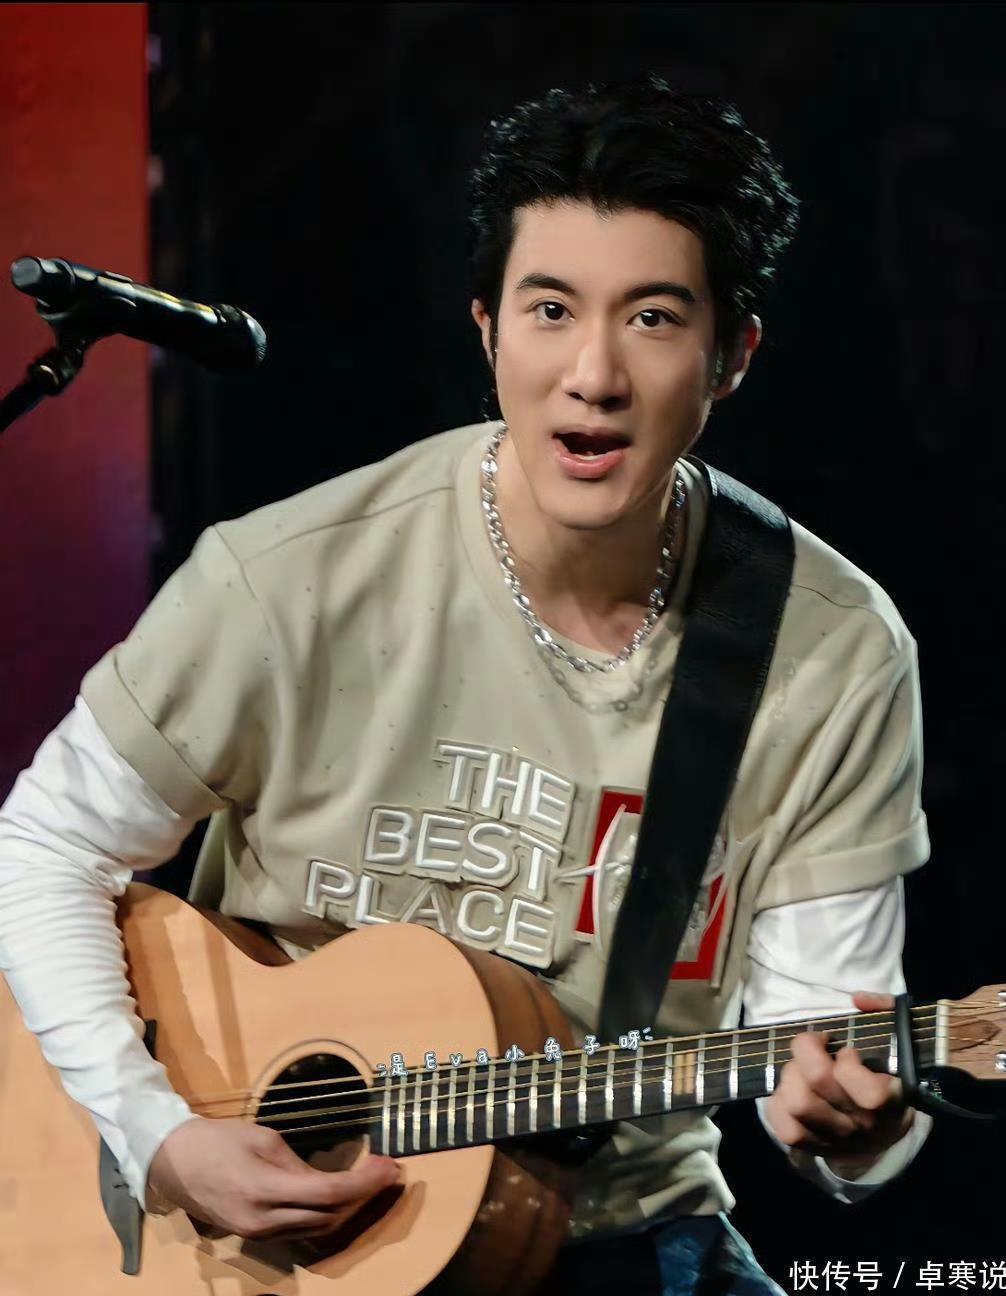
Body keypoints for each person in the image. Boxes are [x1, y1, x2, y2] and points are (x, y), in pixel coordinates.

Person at [0, 75, 932, 1295]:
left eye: (654, 318)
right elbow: (48, 844)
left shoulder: (830, 651)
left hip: (623, 1232)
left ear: (732, 357)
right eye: (550, 310)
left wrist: (851, 1126)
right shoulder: (292, 580)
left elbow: (828, 1058)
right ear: (488, 330)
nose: (592, 374)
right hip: (263, 1248)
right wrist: (155, 1129)